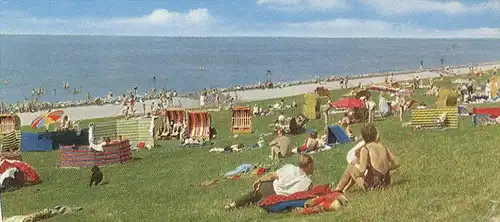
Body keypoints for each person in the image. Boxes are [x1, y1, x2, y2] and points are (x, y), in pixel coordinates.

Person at [224, 154, 315, 210]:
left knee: (253, 194)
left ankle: (232, 205)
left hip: (269, 188)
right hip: (279, 198)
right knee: (256, 199)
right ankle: (245, 204)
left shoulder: (290, 167)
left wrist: (259, 180)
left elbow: (272, 176)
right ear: (309, 165)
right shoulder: (308, 183)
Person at [334, 123, 399, 193]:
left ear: (363, 137)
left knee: (350, 168)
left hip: (374, 186)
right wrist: (385, 169)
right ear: (375, 135)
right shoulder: (383, 147)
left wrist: (356, 172)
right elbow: (397, 163)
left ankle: (337, 191)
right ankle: (344, 190)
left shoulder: (365, 149)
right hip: (387, 184)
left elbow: (362, 171)